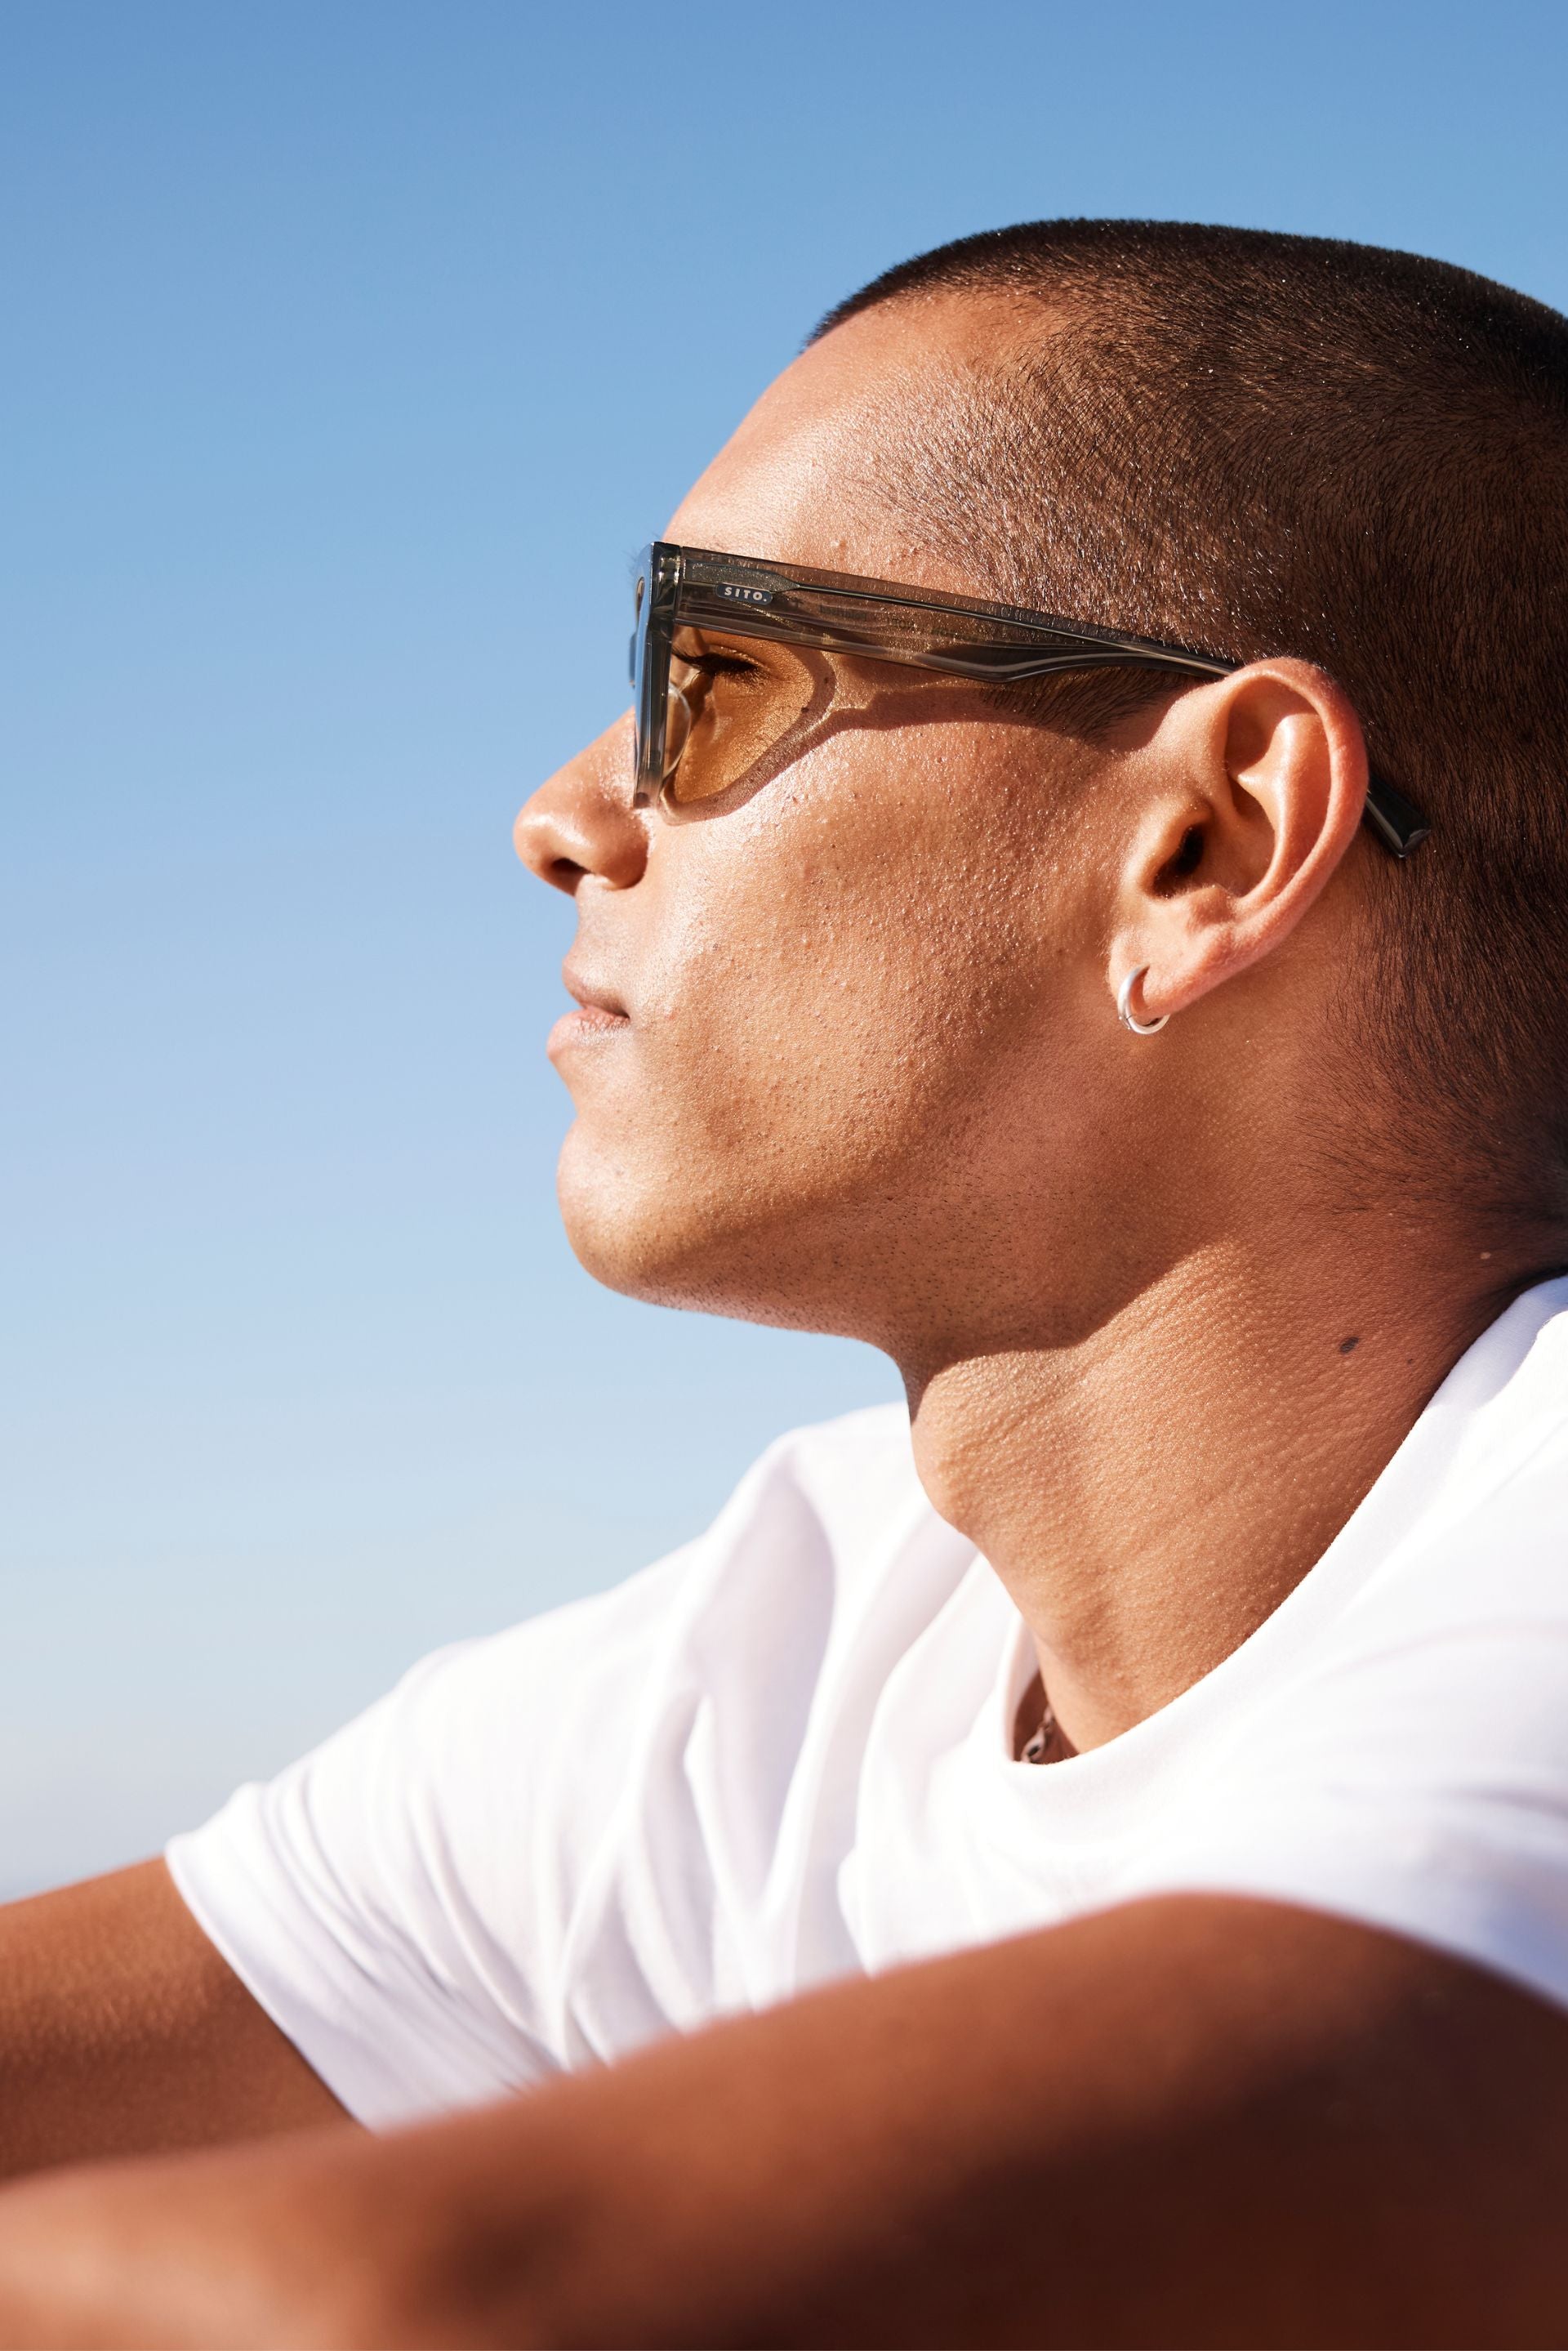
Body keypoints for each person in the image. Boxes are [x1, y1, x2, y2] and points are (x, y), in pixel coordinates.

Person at [2, 215, 1568, 2348]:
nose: (564, 812)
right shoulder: (807, 1652)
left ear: (1207, 846)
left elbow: (417, 2324)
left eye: (715, 677)